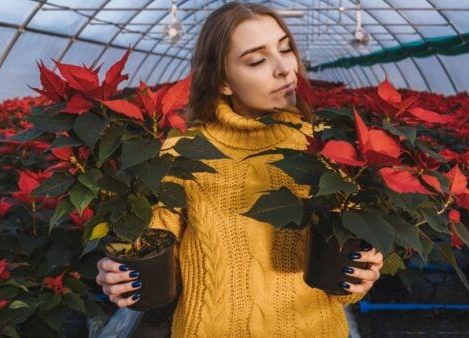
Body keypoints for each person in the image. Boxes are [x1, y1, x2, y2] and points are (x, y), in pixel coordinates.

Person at [95, 2, 384, 337]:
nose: (284, 69)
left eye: (286, 49)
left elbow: (346, 282)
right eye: (257, 60)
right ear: (222, 81)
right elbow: (155, 262)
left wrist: (363, 274)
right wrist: (119, 275)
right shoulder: (181, 153)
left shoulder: (326, 148)